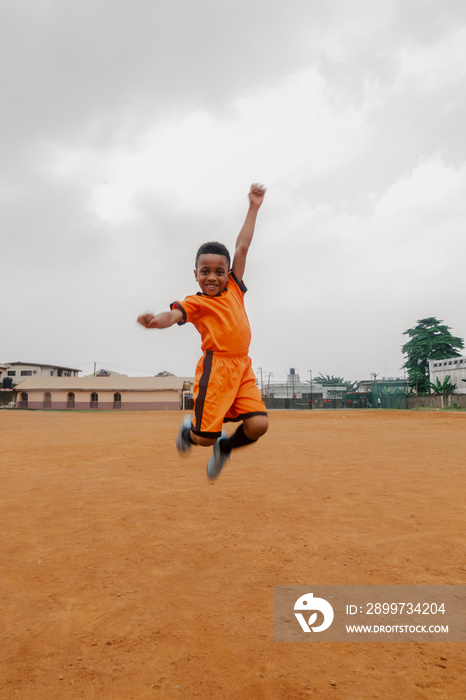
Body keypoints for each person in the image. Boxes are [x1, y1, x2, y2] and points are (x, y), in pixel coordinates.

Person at [137, 184, 268, 479]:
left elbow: (242, 247)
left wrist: (253, 207)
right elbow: (173, 315)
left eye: (219, 271)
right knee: (204, 437)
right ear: (195, 274)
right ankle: (189, 431)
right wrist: (155, 321)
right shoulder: (195, 303)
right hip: (216, 371)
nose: (212, 277)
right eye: (205, 271)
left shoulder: (234, 288)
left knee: (258, 425)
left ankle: (225, 448)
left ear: (228, 274)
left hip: (242, 367)